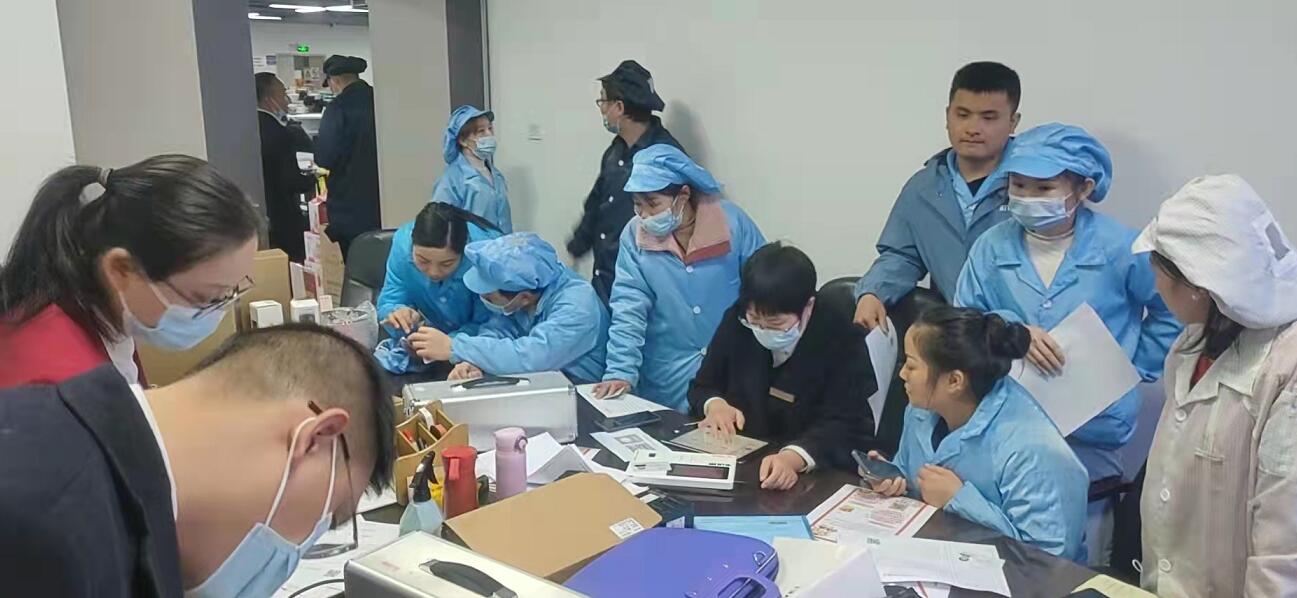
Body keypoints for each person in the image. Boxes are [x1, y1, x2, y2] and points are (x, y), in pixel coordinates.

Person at [0, 324, 396, 597]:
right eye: (330, 517)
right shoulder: (46, 528)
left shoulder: (100, 487)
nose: (297, 550)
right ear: (314, 439)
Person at [953, 123, 1181, 481]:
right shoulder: (991, 247)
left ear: (1083, 188)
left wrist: (1127, 367)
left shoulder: (1121, 247)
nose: (1028, 197)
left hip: (1095, 424)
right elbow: (964, 321)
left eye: (1044, 188)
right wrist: (1008, 331)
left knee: (1084, 506)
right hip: (1008, 417)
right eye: (1018, 185)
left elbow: (1172, 310)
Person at [1132, 175, 1297, 597]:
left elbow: (1283, 548)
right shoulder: (1192, 344)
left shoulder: (1285, 370)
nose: (1155, 284)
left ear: (1198, 287)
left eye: (1158, 270)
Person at [0, 156, 261, 389]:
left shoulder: (105, 315)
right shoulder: (54, 381)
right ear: (121, 270)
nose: (217, 314)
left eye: (230, 292)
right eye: (205, 297)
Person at [868, 305, 1088, 562]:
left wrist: (959, 499)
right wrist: (894, 480)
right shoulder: (921, 410)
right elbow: (912, 478)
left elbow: (1047, 560)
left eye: (911, 365)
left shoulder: (1033, 448)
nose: (902, 373)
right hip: (932, 557)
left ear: (954, 381)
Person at [688, 243, 878, 490]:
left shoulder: (841, 337)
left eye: (775, 323)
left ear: (808, 306)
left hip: (808, 474)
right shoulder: (738, 320)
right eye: (755, 320)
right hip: (741, 459)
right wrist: (715, 405)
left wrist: (793, 458)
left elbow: (847, 425)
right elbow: (703, 384)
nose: (763, 330)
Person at [592, 144, 766, 411]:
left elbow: (764, 284)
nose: (644, 215)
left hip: (730, 366)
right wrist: (620, 370)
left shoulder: (732, 223)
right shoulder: (634, 235)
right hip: (666, 371)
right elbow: (629, 306)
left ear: (683, 194)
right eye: (637, 205)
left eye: (653, 204)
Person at [854, 61, 1022, 330]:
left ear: (1013, 122)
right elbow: (902, 256)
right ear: (947, 116)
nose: (973, 128)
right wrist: (873, 292)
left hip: (1024, 337)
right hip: (957, 337)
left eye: (988, 118)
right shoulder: (923, 188)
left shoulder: (1036, 188)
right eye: (963, 114)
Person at [408, 232, 610, 385]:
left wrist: (456, 348)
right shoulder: (524, 289)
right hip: (543, 384)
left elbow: (531, 357)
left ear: (524, 298)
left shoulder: (578, 306)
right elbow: (498, 328)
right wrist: (473, 363)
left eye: (489, 297)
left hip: (583, 392)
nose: (483, 300)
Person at [567, 60, 685, 304]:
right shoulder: (615, 151)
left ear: (619, 107)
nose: (602, 110)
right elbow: (597, 203)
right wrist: (577, 247)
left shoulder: (664, 156)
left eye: (603, 101)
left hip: (642, 284)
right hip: (606, 277)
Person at [377, 202, 502, 337]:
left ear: (463, 253)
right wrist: (398, 314)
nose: (434, 272)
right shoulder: (402, 247)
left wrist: (451, 343)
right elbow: (390, 300)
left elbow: (492, 323)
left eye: (446, 264)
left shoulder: (486, 255)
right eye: (423, 260)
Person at [315, 55, 381, 262]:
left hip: (350, 205)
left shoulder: (337, 108)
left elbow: (325, 157)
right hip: (383, 199)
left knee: (357, 265)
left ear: (334, 80)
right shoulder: (380, 99)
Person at [255, 72, 317, 262]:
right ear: (269, 100)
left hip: (264, 212)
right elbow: (293, 180)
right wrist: (310, 178)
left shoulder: (250, 127)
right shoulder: (281, 134)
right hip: (284, 214)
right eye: (282, 94)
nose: (287, 101)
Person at [431, 105, 512, 233]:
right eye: (481, 131)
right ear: (463, 140)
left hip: (501, 244)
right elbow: (440, 225)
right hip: (470, 245)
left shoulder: (496, 175)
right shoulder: (451, 180)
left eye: (490, 128)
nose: (489, 134)